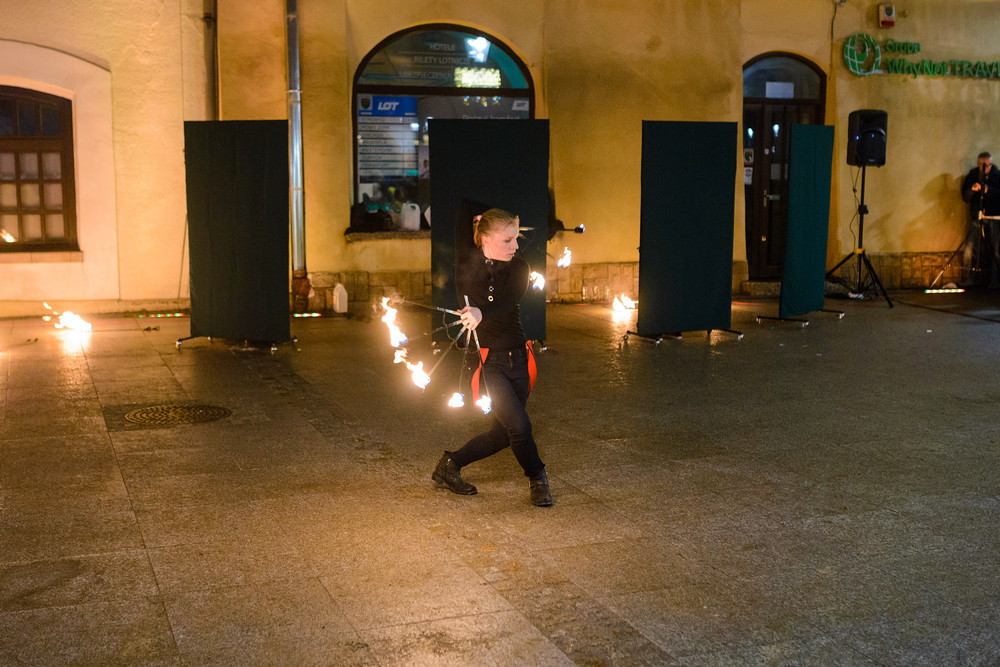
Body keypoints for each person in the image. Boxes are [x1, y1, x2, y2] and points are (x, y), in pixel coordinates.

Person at [431, 208, 553, 507]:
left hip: (519, 358)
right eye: (508, 239)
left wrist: (481, 311)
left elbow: (507, 301)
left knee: (503, 434)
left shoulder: (519, 268)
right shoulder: (467, 264)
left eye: (516, 238)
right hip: (490, 364)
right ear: (485, 237)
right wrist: (470, 312)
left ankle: (449, 465)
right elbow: (463, 214)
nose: (515, 245)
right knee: (520, 427)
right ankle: (538, 478)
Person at [961, 151, 1000, 287]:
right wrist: (973, 189)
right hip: (976, 217)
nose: (986, 168)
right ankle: (969, 278)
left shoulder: (997, 176)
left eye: (988, 165)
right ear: (978, 164)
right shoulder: (972, 176)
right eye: (983, 165)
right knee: (970, 248)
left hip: (994, 217)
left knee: (996, 249)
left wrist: (987, 190)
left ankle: (995, 281)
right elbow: (965, 197)